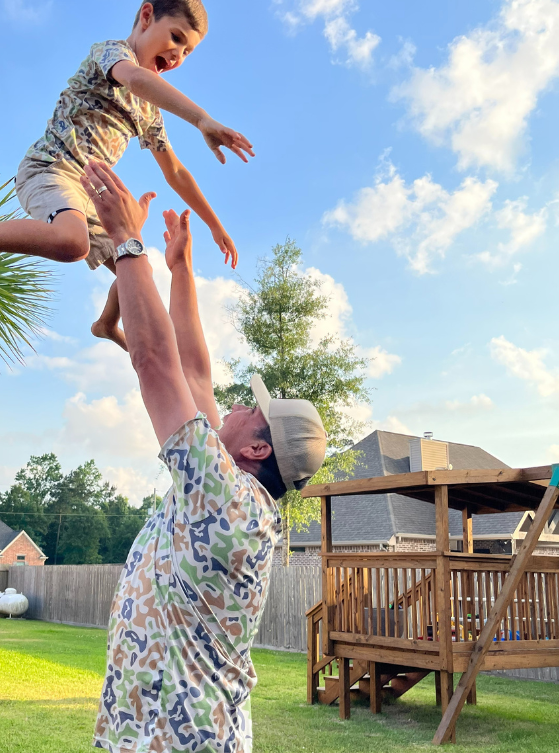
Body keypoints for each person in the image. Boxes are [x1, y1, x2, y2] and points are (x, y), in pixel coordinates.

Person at [79, 159, 327, 753]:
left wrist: (127, 241)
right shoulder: (230, 492)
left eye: (250, 408)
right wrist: (181, 269)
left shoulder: (227, 501)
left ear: (258, 447)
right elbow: (193, 373)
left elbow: (157, 365)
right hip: (153, 735)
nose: (235, 405)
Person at [0, 0, 253, 352]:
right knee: (72, 242)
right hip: (50, 168)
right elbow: (136, 80)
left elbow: (174, 171)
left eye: (187, 51)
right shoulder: (112, 54)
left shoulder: (150, 112)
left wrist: (215, 226)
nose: (178, 55)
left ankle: (106, 324)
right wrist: (201, 119)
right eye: (176, 38)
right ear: (146, 17)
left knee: (137, 269)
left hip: (90, 195)